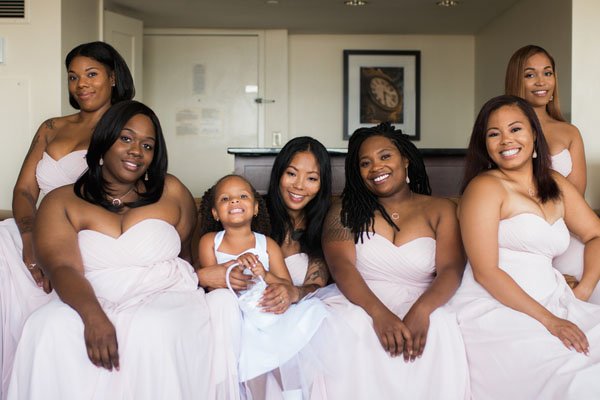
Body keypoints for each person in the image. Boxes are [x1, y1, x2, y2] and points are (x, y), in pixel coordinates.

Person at [7, 100, 218, 400]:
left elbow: (186, 255)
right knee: (47, 327)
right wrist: (93, 316)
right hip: (87, 293)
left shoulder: (172, 191)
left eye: (147, 145)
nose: (137, 151)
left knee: (152, 328)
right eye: (126, 138)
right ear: (104, 140)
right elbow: (62, 267)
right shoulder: (62, 201)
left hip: (165, 293)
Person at [0, 40, 134, 399]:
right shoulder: (51, 127)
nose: (81, 84)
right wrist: (29, 239)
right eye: (73, 77)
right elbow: (24, 190)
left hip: (83, 235)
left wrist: (50, 246)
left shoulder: (127, 126)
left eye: (91, 74)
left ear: (113, 77)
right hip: (33, 230)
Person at [450, 95, 600, 399]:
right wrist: (550, 321)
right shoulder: (484, 188)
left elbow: (595, 234)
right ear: (485, 145)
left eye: (515, 129)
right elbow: (486, 271)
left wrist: (583, 290)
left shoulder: (554, 184)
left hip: (556, 300)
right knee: (574, 378)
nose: (506, 140)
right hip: (498, 307)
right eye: (494, 134)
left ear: (534, 134)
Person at [319, 122, 470, 399]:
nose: (376, 167)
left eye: (385, 156)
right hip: (360, 300)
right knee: (349, 324)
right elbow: (341, 267)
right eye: (365, 163)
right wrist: (379, 314)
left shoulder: (441, 209)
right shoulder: (345, 211)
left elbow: (451, 269)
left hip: (425, 298)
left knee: (441, 325)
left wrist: (422, 311)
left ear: (405, 159)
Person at [197, 174, 330, 399]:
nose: (234, 201)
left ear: (256, 208)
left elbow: (286, 284)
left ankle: (294, 394)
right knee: (251, 358)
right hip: (235, 314)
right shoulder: (210, 241)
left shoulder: (267, 244)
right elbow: (211, 284)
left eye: (243, 196)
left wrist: (264, 273)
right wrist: (233, 271)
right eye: (225, 199)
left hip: (266, 308)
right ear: (215, 213)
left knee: (283, 350)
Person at [505, 45, 598, 302]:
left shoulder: (569, 132)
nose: (541, 81)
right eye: (530, 74)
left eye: (547, 73)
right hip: (522, 239)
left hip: (568, 231)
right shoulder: (503, 134)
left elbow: (575, 197)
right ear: (516, 80)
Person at [265, 136, 332, 306]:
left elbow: (316, 285)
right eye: (291, 173)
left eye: (312, 178)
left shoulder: (324, 224)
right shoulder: (254, 213)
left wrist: (293, 293)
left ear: (322, 184)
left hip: (302, 310)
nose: (299, 185)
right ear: (279, 173)